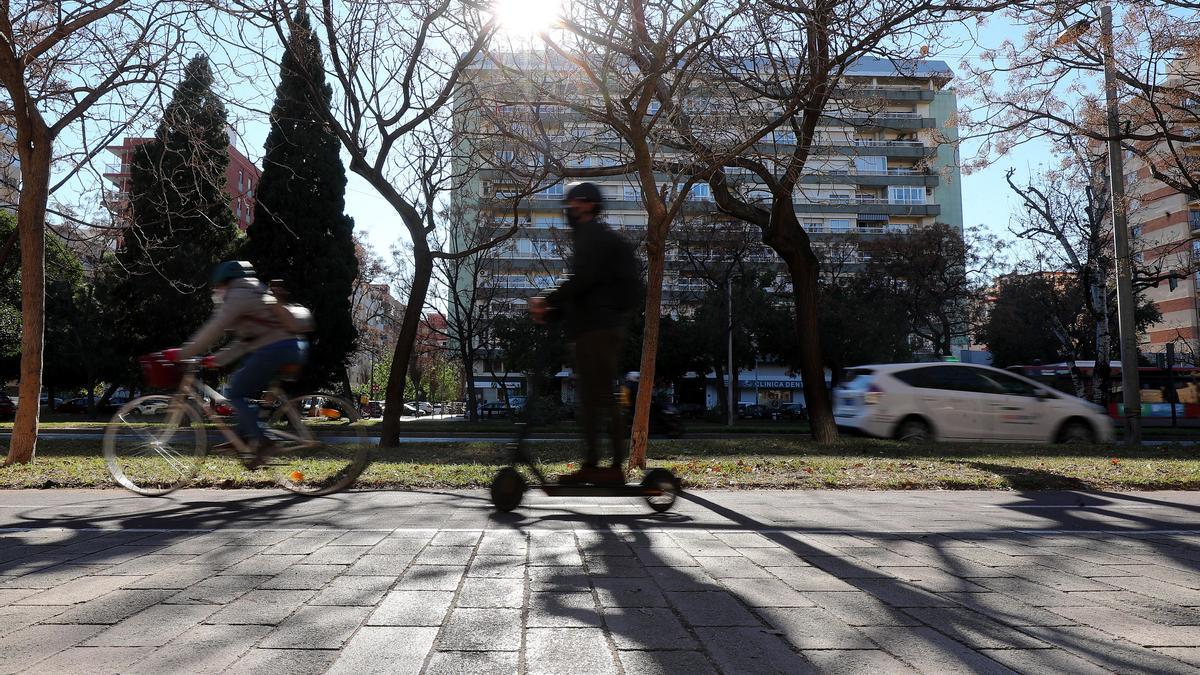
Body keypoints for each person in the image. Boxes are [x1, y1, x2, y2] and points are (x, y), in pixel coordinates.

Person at [529, 182, 641, 485]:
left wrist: (547, 300)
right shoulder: (588, 238)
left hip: (599, 329)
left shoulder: (595, 236)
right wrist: (553, 312)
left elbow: (583, 280)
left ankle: (613, 467)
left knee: (602, 397)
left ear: (588, 204)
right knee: (592, 400)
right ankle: (594, 465)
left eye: (573, 202)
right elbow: (583, 290)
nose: (568, 207)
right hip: (591, 328)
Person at [172, 261, 308, 468]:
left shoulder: (238, 294)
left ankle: (262, 443)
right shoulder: (254, 292)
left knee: (235, 392)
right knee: (242, 392)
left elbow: (214, 329)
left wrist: (182, 353)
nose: (216, 292)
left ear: (224, 282)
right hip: (288, 347)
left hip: (275, 349)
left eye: (217, 287)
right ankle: (245, 440)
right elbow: (243, 343)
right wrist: (215, 359)